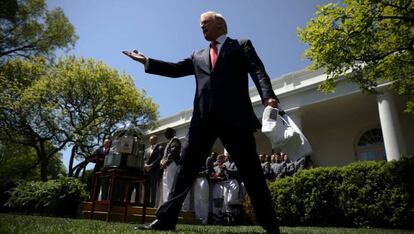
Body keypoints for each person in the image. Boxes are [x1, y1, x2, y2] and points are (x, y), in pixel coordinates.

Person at [123, 11, 280, 234]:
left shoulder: (241, 45)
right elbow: (176, 69)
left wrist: (268, 97)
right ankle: (166, 220)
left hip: (235, 120)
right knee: (186, 171)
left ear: (219, 24)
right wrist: (147, 61)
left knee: (252, 172)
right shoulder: (198, 55)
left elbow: (258, 70)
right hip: (202, 121)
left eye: (204, 23)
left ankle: (271, 226)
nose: (201, 28)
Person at [159, 128, 181, 205]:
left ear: (173, 133)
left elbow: (173, 152)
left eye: (168, 132)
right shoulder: (170, 141)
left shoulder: (175, 140)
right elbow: (165, 155)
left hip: (172, 164)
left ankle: (170, 204)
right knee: (165, 185)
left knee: (170, 185)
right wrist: (161, 161)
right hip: (166, 165)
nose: (166, 134)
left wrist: (166, 162)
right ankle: (166, 204)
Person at [143, 135, 164, 207]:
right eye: (149, 139)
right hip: (146, 171)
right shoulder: (146, 150)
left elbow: (159, 158)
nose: (150, 141)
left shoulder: (160, 148)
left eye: (151, 139)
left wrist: (151, 166)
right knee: (146, 187)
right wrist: (145, 165)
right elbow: (144, 159)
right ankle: (146, 202)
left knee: (153, 187)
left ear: (155, 140)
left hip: (154, 170)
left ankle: (152, 203)